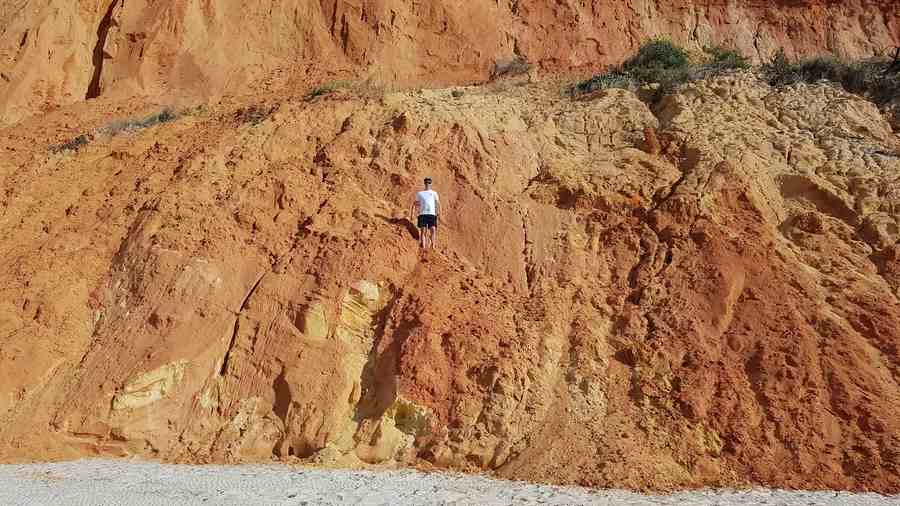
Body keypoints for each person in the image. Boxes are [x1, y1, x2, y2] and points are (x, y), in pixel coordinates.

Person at [410, 177, 440, 249]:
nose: (427, 184)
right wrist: (412, 214)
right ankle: (423, 247)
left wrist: (439, 212)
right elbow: (415, 204)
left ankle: (433, 247)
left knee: (433, 230)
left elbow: (438, 203)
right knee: (423, 231)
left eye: (429, 182)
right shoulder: (420, 193)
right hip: (422, 214)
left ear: (431, 184)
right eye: (426, 182)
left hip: (432, 214)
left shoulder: (434, 193)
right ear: (424, 183)